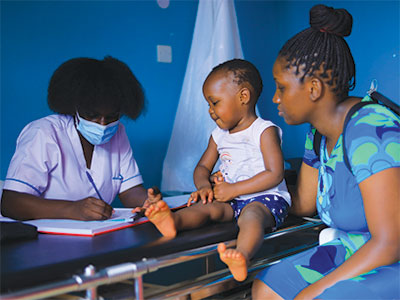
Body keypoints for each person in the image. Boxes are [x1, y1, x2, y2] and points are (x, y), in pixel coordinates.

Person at [252, 4, 400, 300]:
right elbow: (304, 204)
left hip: (391, 256)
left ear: (314, 89)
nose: (275, 98)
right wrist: (252, 195)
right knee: (267, 287)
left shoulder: (371, 128)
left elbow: (390, 242)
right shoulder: (318, 134)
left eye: (281, 87)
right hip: (352, 247)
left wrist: (312, 291)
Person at [144, 59, 291, 282]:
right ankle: (173, 222)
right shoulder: (218, 135)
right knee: (207, 209)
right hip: (230, 199)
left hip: (266, 198)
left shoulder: (263, 130)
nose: (211, 111)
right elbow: (202, 167)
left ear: (243, 97)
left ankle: (241, 255)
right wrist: (204, 187)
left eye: (215, 103)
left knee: (251, 217)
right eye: (209, 105)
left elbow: (274, 173)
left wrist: (233, 189)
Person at [1, 56, 160, 221]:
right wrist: (71, 209)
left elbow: (130, 191)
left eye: (112, 116)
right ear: (74, 107)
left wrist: (149, 203)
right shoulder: (44, 133)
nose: (102, 124)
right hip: (38, 237)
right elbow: (11, 203)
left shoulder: (118, 132)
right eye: (92, 115)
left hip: (94, 237)